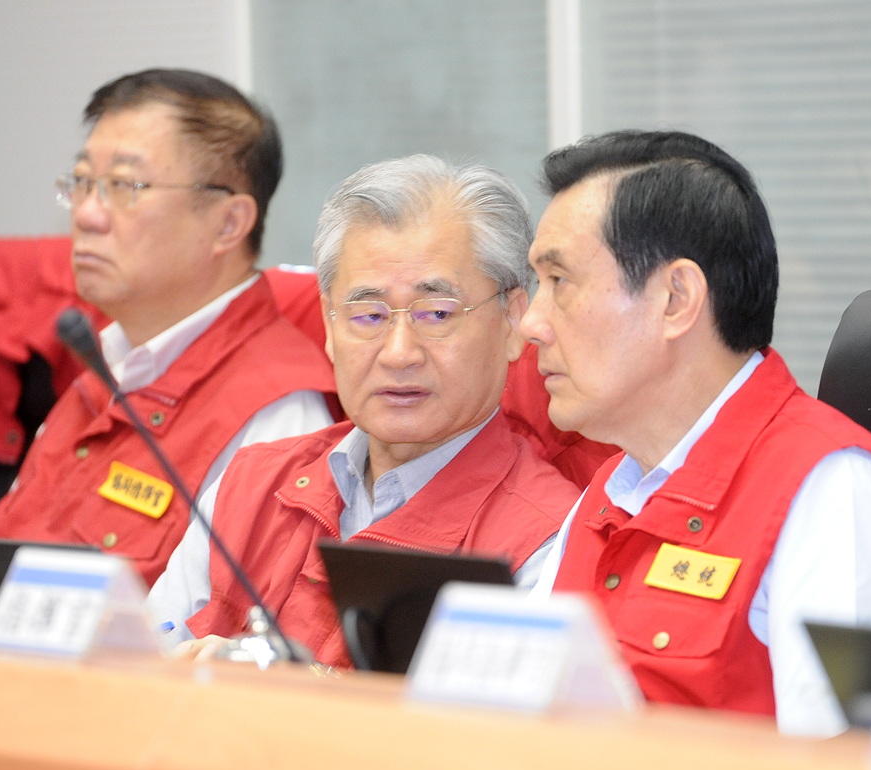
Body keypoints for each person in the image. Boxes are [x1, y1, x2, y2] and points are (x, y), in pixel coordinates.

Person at [520, 130, 871, 736]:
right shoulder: (611, 491)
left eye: (558, 282)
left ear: (676, 298)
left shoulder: (838, 495)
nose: (531, 323)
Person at [0, 69, 337, 624]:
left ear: (229, 223)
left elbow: (219, 647)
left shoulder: (279, 418)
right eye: (82, 182)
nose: (86, 214)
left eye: (124, 186)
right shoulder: (105, 365)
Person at [148, 155, 581, 664]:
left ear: (512, 321)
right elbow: (141, 665)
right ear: (329, 325)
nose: (399, 353)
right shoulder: (251, 484)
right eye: (369, 315)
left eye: (436, 313)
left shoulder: (546, 543)